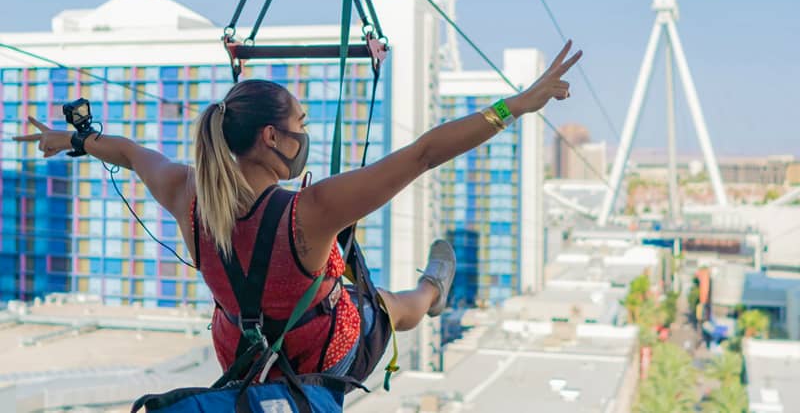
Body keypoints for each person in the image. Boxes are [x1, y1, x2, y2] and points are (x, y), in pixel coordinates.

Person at [15, 40, 581, 387]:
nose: (304, 137)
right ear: (270, 138)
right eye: (301, 127)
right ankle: (433, 292)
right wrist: (517, 104)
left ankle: (425, 293)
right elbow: (424, 154)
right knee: (382, 306)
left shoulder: (187, 195)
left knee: (343, 288)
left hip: (240, 357)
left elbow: (132, 153)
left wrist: (71, 140)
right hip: (319, 357)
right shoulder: (309, 212)